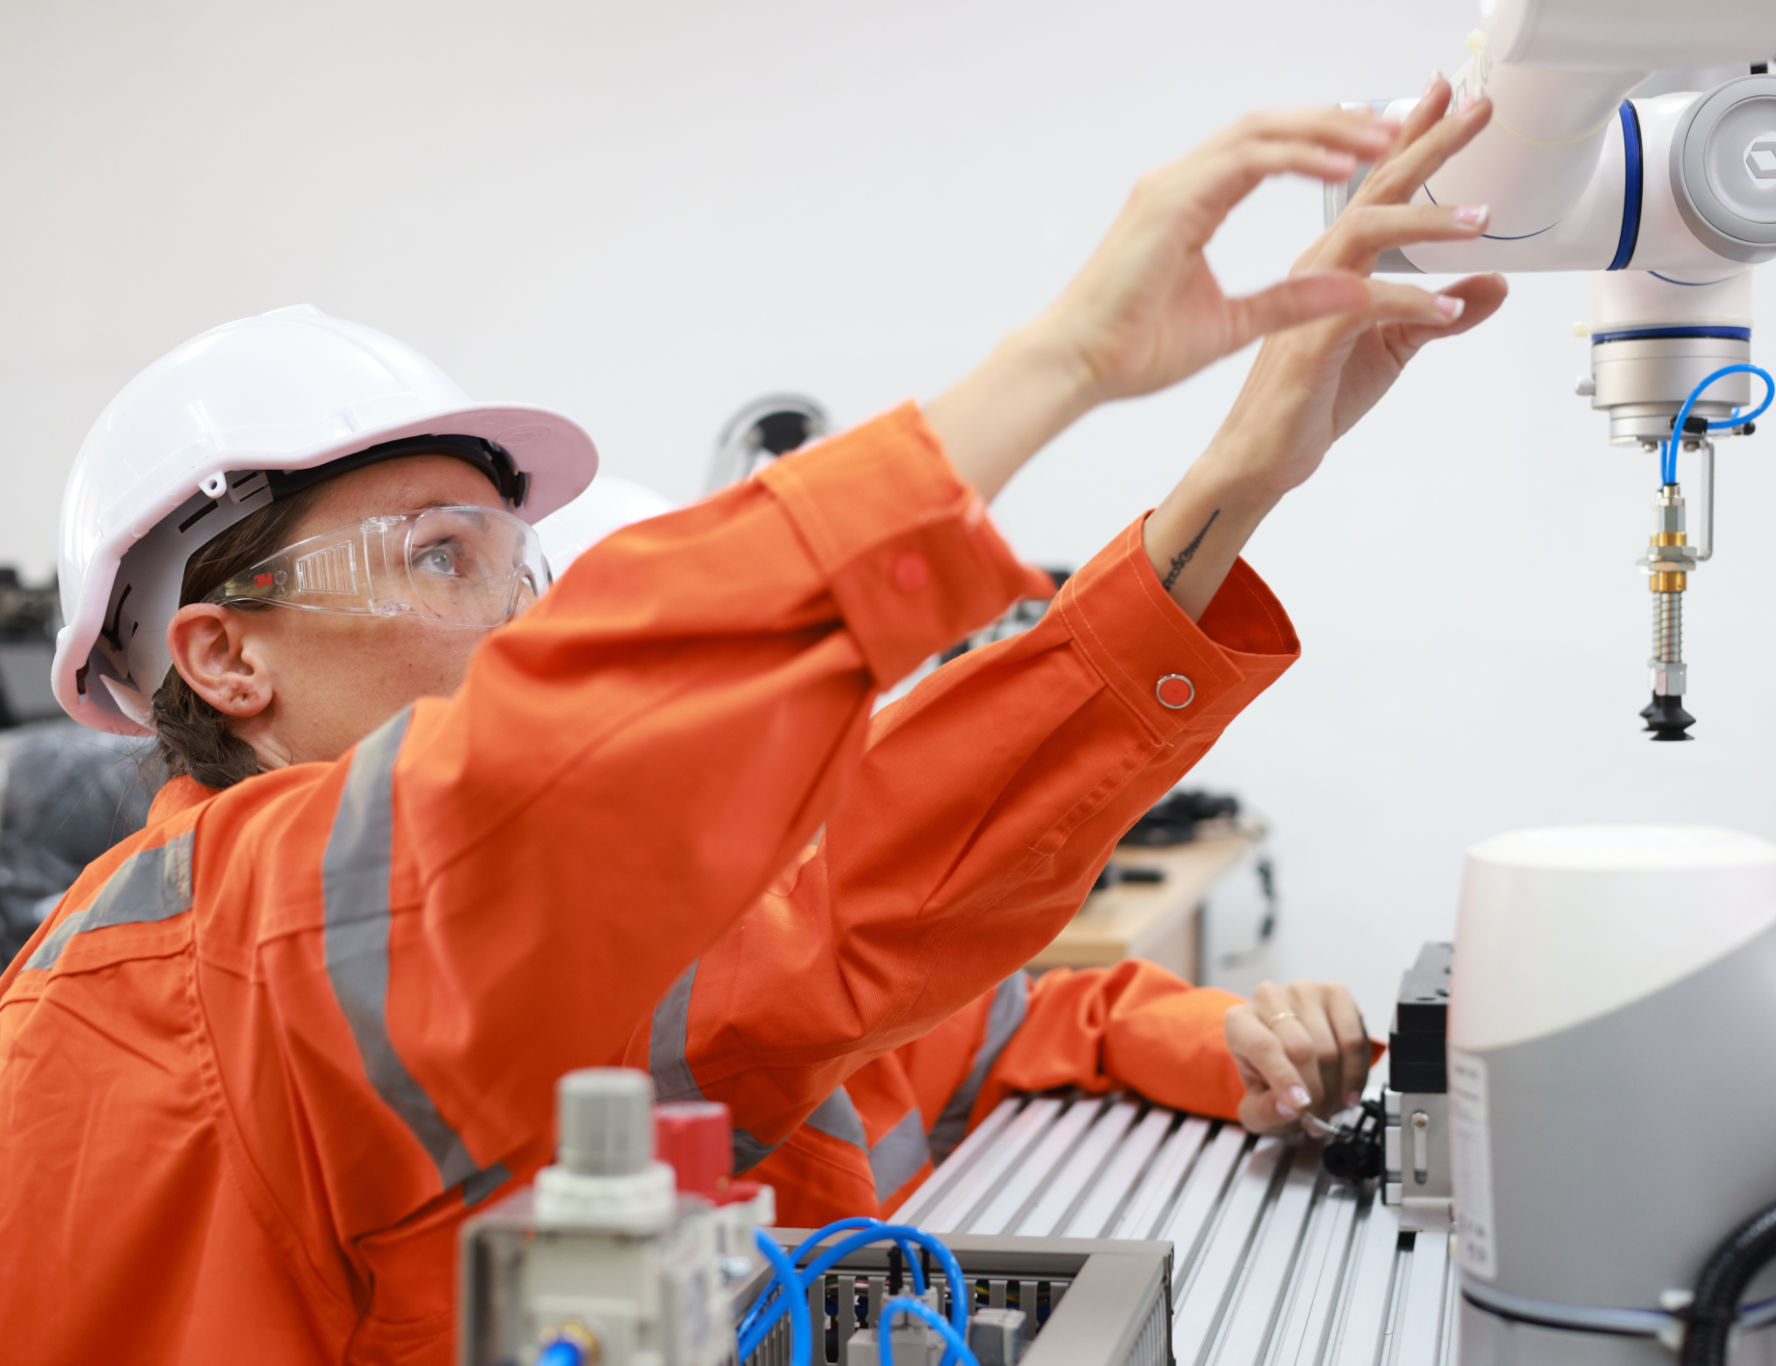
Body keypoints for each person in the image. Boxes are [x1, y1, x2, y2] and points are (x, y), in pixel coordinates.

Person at [0, 91, 1498, 1366]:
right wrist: (1064, 368)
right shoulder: (202, 965)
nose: (516, 618)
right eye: (441, 556)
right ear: (222, 654)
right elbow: (559, 761)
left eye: (515, 566)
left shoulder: (472, 961)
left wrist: (1238, 480)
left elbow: (855, 890)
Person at [618, 80, 1507, 1223]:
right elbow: (867, 910)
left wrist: (1230, 1038)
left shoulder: (757, 915)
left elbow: (1028, 1016)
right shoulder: (620, 995)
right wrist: (1217, 481)